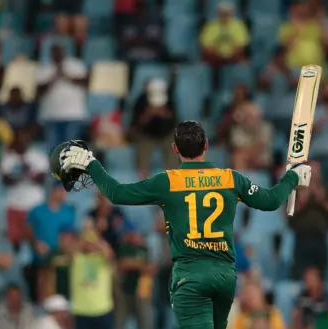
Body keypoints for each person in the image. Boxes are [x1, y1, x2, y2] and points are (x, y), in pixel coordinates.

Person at [52, 120, 311, 329]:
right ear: (206, 146)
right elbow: (271, 200)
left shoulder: (169, 181)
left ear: (175, 150)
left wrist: (91, 163)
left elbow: (116, 193)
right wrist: (292, 176)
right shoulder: (230, 178)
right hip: (224, 277)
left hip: (190, 276)